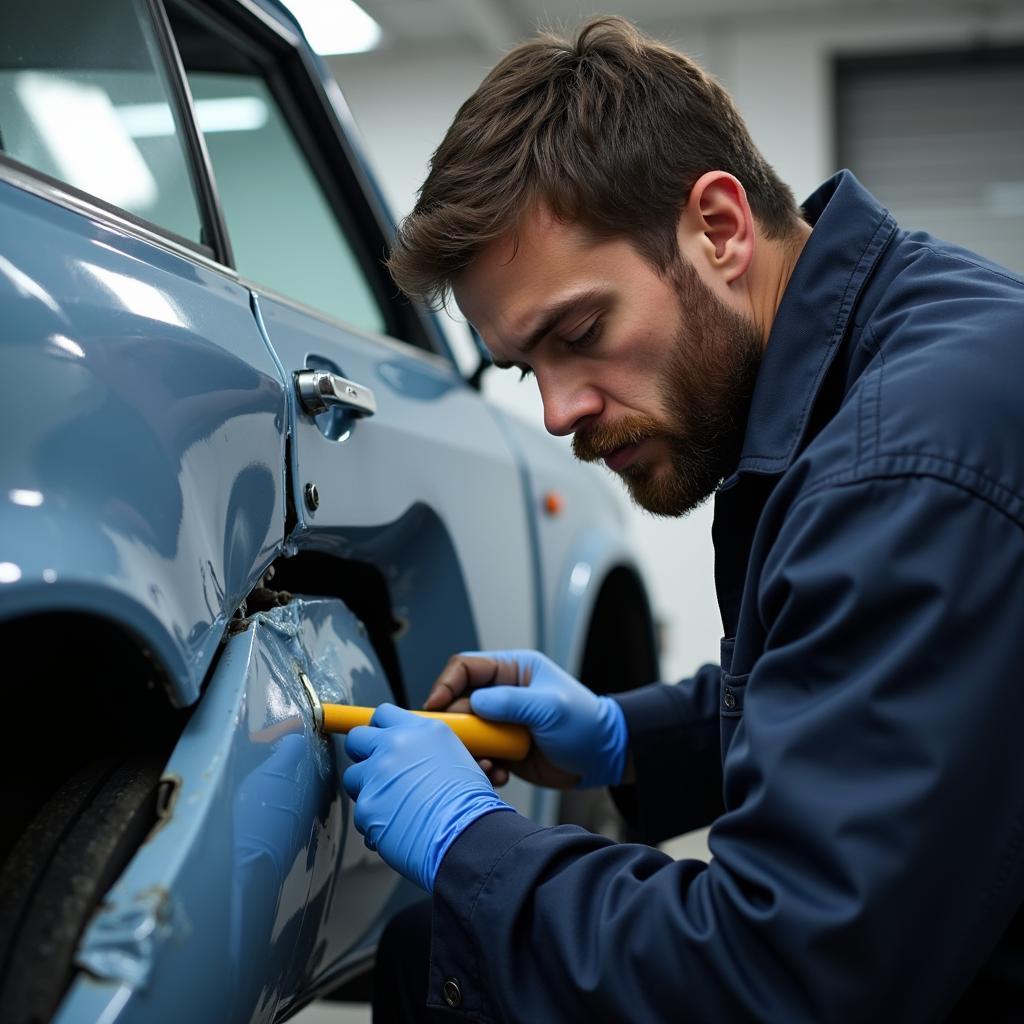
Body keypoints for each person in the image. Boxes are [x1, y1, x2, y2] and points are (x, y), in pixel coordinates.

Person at [341, 16, 1024, 1022]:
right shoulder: (894, 347)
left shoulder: (900, 462)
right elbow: (867, 695)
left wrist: (468, 840)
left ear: (717, 228)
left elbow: (779, 974)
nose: (557, 411)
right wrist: (626, 737)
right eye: (529, 367)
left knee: (447, 960)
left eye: (580, 332)